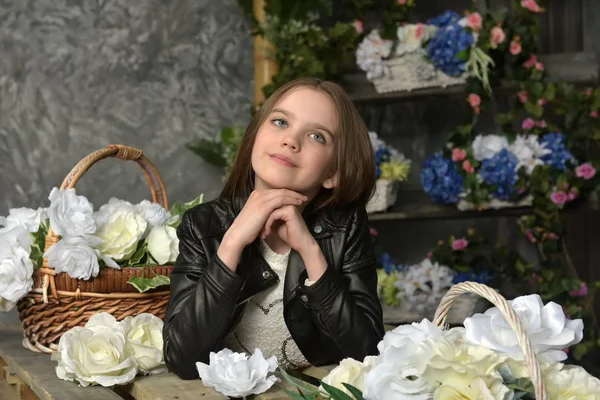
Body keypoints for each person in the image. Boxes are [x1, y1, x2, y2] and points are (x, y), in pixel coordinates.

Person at [163, 77, 385, 380]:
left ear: (332, 173)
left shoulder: (346, 226)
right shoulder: (202, 225)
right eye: (280, 122)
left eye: (317, 136)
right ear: (256, 136)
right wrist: (232, 243)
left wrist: (310, 251)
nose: (291, 141)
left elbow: (368, 352)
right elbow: (182, 359)